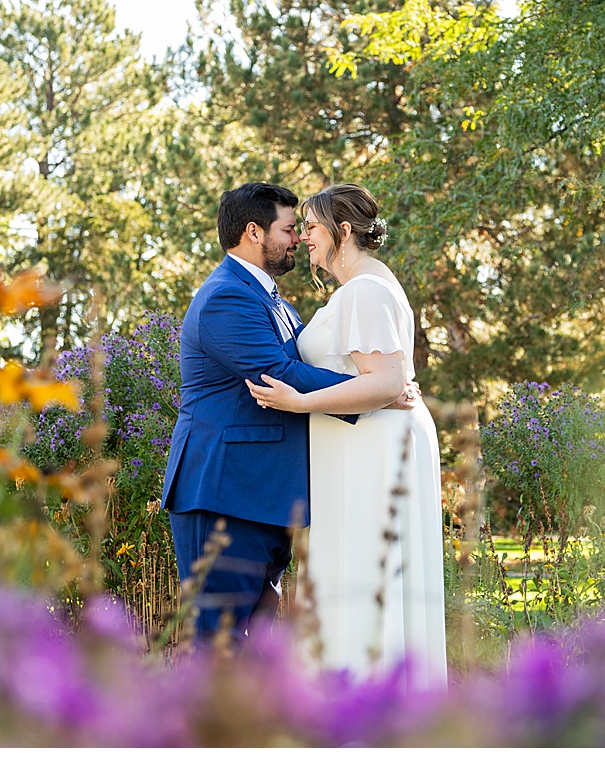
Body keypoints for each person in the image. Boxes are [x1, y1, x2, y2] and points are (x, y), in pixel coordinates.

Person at [162, 182, 395, 646]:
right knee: (221, 646)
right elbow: (275, 372)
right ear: (253, 231)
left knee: (256, 657)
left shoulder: (274, 302)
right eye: (290, 229)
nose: (299, 239)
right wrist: (372, 391)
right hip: (224, 496)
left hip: (264, 497)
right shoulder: (226, 297)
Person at [246, 183, 448, 688]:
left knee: (367, 576)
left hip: (373, 452)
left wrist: (299, 402)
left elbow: (384, 382)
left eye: (311, 228)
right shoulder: (366, 287)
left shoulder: (363, 290)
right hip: (367, 447)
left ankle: (372, 702)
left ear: (344, 231)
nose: (303, 238)